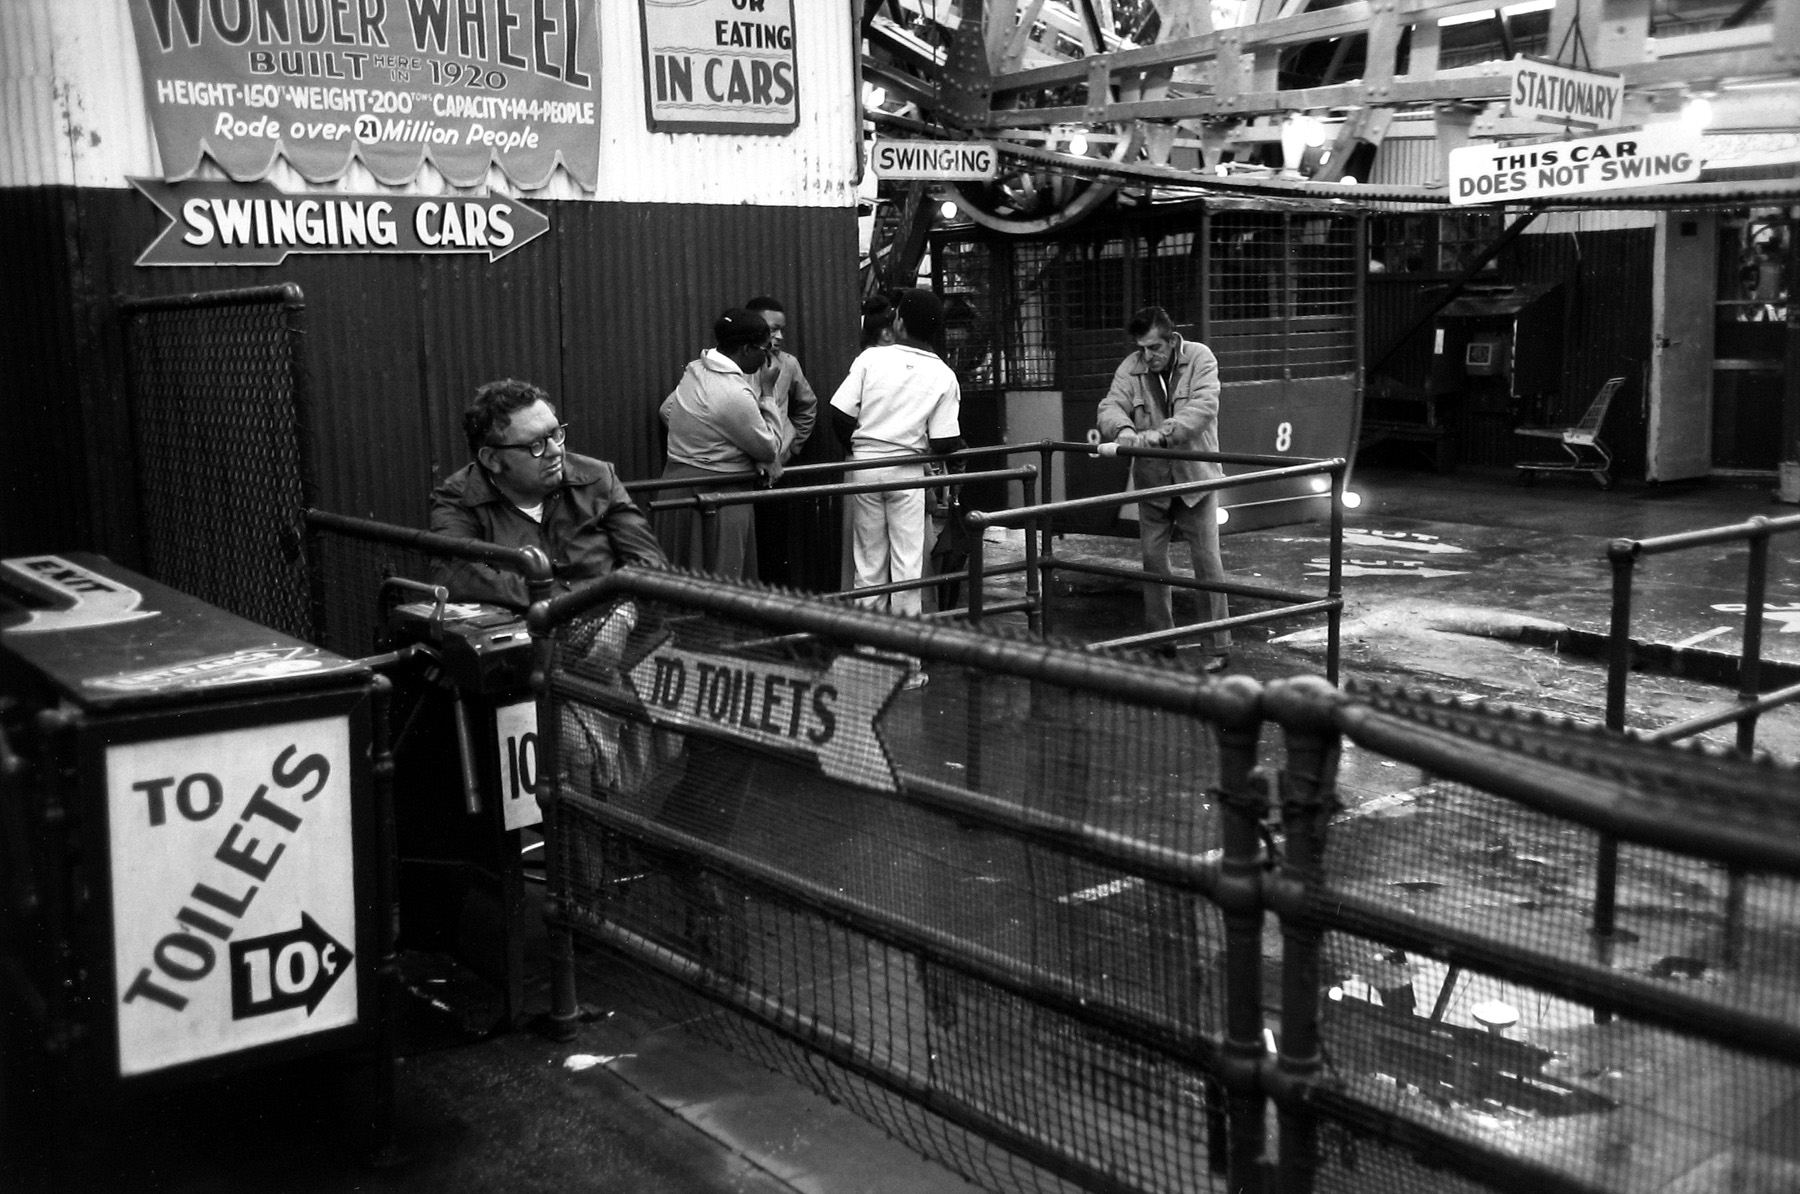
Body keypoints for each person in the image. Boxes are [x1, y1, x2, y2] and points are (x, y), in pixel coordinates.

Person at [428, 378, 665, 609]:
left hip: (622, 630)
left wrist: (624, 613)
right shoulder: (458, 500)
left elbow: (651, 565)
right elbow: (460, 579)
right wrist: (591, 598)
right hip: (527, 640)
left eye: (556, 434)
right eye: (536, 445)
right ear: (492, 459)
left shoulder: (598, 478)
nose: (555, 451)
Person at [1095, 306, 1231, 672]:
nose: (1148, 356)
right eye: (1142, 348)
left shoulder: (1200, 358)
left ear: (1172, 341)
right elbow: (1110, 405)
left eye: (1155, 348)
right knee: (1153, 563)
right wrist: (1123, 430)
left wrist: (1162, 433)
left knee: (1207, 563)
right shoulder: (1132, 367)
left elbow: (1203, 407)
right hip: (1152, 483)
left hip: (1194, 479)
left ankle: (1216, 647)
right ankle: (1161, 642)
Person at [829, 288, 964, 632]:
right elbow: (944, 440)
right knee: (907, 566)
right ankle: (907, 663)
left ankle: (867, 653)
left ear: (900, 322)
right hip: (907, 472)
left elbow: (840, 413)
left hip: (865, 468)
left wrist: (862, 448)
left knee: (868, 565)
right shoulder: (944, 375)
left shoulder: (871, 359)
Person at [656, 308, 791, 580]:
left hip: (676, 488)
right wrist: (767, 392)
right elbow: (769, 448)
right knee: (722, 583)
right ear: (745, 348)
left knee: (681, 582)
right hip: (722, 495)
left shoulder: (695, 370)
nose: (768, 358)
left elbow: (667, 409)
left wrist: (705, 440)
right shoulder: (733, 392)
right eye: (764, 350)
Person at [744, 296, 817, 583]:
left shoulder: (788, 365)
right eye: (773, 329)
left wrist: (789, 450)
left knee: (774, 554)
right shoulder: (732, 364)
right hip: (739, 472)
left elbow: (807, 407)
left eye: (782, 329)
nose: (780, 337)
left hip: (775, 474)